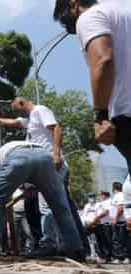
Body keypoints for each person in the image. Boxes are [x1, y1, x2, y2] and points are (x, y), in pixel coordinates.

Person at [0, 97, 88, 256]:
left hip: (51, 163)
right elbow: (14, 122)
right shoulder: (30, 120)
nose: (12, 108)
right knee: (65, 207)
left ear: (21, 102)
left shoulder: (40, 110)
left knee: (47, 207)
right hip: (45, 165)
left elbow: (56, 128)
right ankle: (78, 246)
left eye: (13, 105)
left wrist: (56, 154)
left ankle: (48, 244)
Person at [53, 0, 131, 175]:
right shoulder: (124, 11)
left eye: (65, 18)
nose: (69, 25)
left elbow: (103, 61)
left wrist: (101, 116)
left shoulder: (89, 16)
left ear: (74, 4)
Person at [0, 141, 85, 261]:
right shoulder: (7, 150)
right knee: (60, 207)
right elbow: (33, 171)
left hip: (17, 157)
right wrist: (33, 187)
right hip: (44, 156)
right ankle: (76, 249)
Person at [109, 182, 129, 264]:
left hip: (120, 222)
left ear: (114, 188)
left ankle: (125, 257)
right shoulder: (118, 196)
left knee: (121, 240)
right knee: (117, 240)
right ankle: (120, 257)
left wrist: (115, 219)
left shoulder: (120, 195)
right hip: (118, 221)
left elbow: (120, 208)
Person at [92, 191, 112, 263]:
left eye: (102, 195)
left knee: (107, 241)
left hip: (107, 224)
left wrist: (96, 218)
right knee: (102, 241)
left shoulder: (108, 202)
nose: (101, 197)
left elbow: (106, 212)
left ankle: (109, 257)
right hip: (101, 224)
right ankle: (105, 257)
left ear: (105, 195)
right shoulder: (102, 203)